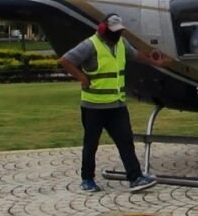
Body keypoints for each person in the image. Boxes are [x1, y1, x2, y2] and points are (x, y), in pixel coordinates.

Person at [59, 14, 168, 193]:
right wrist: (81, 77)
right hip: (93, 106)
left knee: (126, 142)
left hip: (117, 105)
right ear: (103, 29)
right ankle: (87, 179)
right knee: (91, 144)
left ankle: (135, 177)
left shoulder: (121, 44)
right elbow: (66, 60)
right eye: (114, 31)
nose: (117, 34)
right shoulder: (90, 45)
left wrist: (153, 61)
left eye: (119, 31)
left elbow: (136, 55)